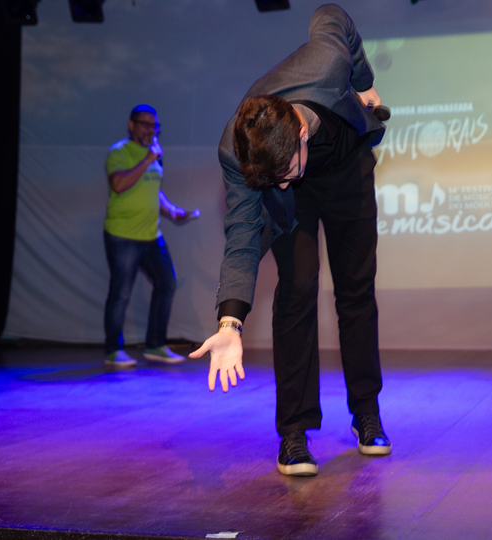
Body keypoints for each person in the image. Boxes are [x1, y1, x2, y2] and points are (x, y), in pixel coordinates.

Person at [189, 4, 390, 477]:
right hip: (300, 201)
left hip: (348, 173)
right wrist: (230, 323)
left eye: (283, 174)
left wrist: (363, 81)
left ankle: (367, 412)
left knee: (356, 291)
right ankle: (294, 433)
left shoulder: (326, 62)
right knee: (297, 290)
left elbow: (333, 14)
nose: (278, 185)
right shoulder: (239, 150)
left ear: (301, 134)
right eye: (270, 180)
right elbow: (242, 235)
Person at [104, 104, 196, 367]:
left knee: (167, 284)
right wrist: (147, 160)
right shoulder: (120, 151)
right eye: (144, 124)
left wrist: (172, 211)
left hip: (151, 235)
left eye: (154, 125)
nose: (150, 130)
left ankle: (155, 345)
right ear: (131, 125)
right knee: (120, 294)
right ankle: (113, 350)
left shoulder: (154, 153)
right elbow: (119, 184)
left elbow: (154, 189)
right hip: (123, 236)